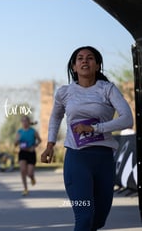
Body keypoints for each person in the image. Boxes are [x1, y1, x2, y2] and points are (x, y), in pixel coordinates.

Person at [40, 46, 133, 231]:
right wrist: (50, 144)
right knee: (84, 216)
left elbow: (127, 119)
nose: (84, 61)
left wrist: (95, 128)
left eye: (90, 58)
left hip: (104, 159)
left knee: (98, 220)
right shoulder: (64, 92)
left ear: (97, 65)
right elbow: (55, 117)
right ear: (74, 67)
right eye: (80, 58)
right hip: (77, 158)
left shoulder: (107, 89)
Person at [15, 115, 41, 196]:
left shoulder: (33, 131)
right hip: (22, 152)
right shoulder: (19, 132)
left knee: (29, 173)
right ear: (21, 122)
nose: (24, 123)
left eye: (26, 121)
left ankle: (32, 178)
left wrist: (34, 146)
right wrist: (17, 140)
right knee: (23, 170)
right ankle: (25, 188)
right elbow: (15, 144)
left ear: (29, 122)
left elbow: (39, 140)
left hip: (31, 153)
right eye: (23, 121)